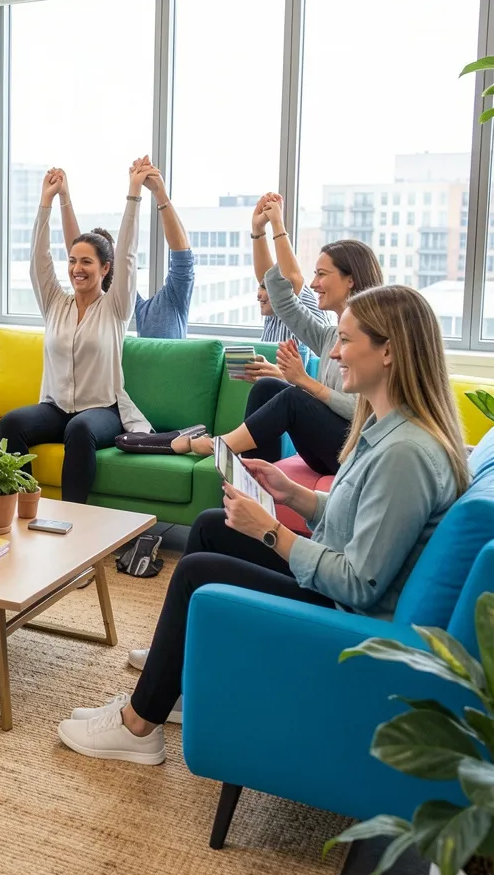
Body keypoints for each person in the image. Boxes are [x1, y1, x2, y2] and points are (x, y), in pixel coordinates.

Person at [59, 285, 468, 765]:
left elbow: (361, 583)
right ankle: (177, 682)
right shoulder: (387, 429)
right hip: (332, 587)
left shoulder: (405, 454)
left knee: (196, 570)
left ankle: (139, 724)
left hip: (342, 616)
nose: (333, 353)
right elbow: (355, 516)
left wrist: (272, 532)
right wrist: (293, 495)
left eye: (345, 340)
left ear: (389, 352)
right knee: (212, 526)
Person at [173, 199, 384, 476]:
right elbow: (282, 300)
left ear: (350, 280)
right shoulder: (329, 335)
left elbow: (363, 411)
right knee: (267, 387)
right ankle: (252, 478)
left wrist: (304, 382)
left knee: (293, 398)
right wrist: (258, 231)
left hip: (353, 448)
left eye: (322, 274)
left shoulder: (373, 338)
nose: (314, 283)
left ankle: (220, 446)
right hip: (325, 446)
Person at [0, 162, 152, 504]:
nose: (76, 269)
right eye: (72, 261)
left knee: (78, 429)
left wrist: (133, 195)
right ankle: (20, 509)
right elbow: (38, 259)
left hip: (102, 410)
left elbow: (127, 253)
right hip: (55, 407)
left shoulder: (115, 307)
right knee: (11, 424)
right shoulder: (55, 302)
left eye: (86, 262)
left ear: (104, 268)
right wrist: (46, 202)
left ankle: (73, 523)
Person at [57, 157, 194, 339]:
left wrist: (159, 193)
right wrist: (63, 197)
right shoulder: (104, 304)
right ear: (105, 268)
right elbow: (76, 250)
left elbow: (182, 256)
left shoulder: (168, 304)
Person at [249, 193, 327, 370]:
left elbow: (292, 277)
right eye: (261, 288)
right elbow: (267, 276)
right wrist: (257, 228)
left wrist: (277, 223)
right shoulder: (274, 315)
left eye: (265, 289)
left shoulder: (300, 306)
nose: (259, 295)